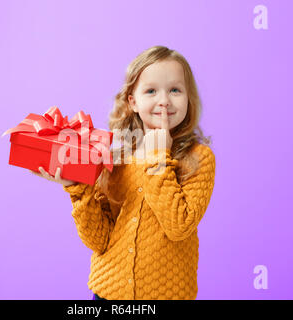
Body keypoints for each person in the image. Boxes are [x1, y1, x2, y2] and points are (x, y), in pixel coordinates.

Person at [31, 45, 216, 300]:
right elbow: (98, 240)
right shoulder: (115, 157)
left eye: (175, 90)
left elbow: (178, 226)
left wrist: (157, 157)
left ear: (188, 98)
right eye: (151, 91)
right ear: (133, 101)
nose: (164, 100)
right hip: (107, 294)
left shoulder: (198, 158)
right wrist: (78, 188)